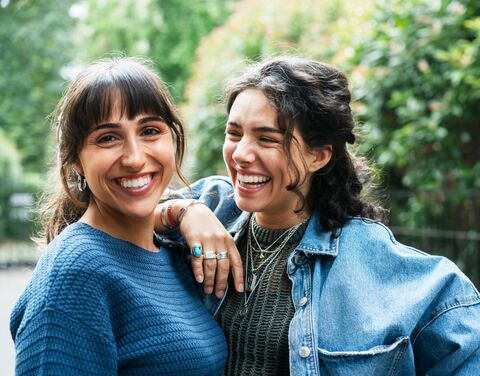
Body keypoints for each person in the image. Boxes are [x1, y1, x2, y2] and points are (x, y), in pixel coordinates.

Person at [157, 56, 480, 375]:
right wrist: (183, 211)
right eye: (234, 133)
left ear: (319, 155)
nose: (241, 154)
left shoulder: (371, 257)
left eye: (267, 139)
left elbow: (464, 339)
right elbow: (121, 213)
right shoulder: (212, 204)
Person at [9, 57, 229, 375]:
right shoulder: (75, 274)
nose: (135, 158)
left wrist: (187, 209)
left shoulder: (170, 249)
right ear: (76, 162)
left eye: (150, 131)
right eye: (108, 137)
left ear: (173, 139)